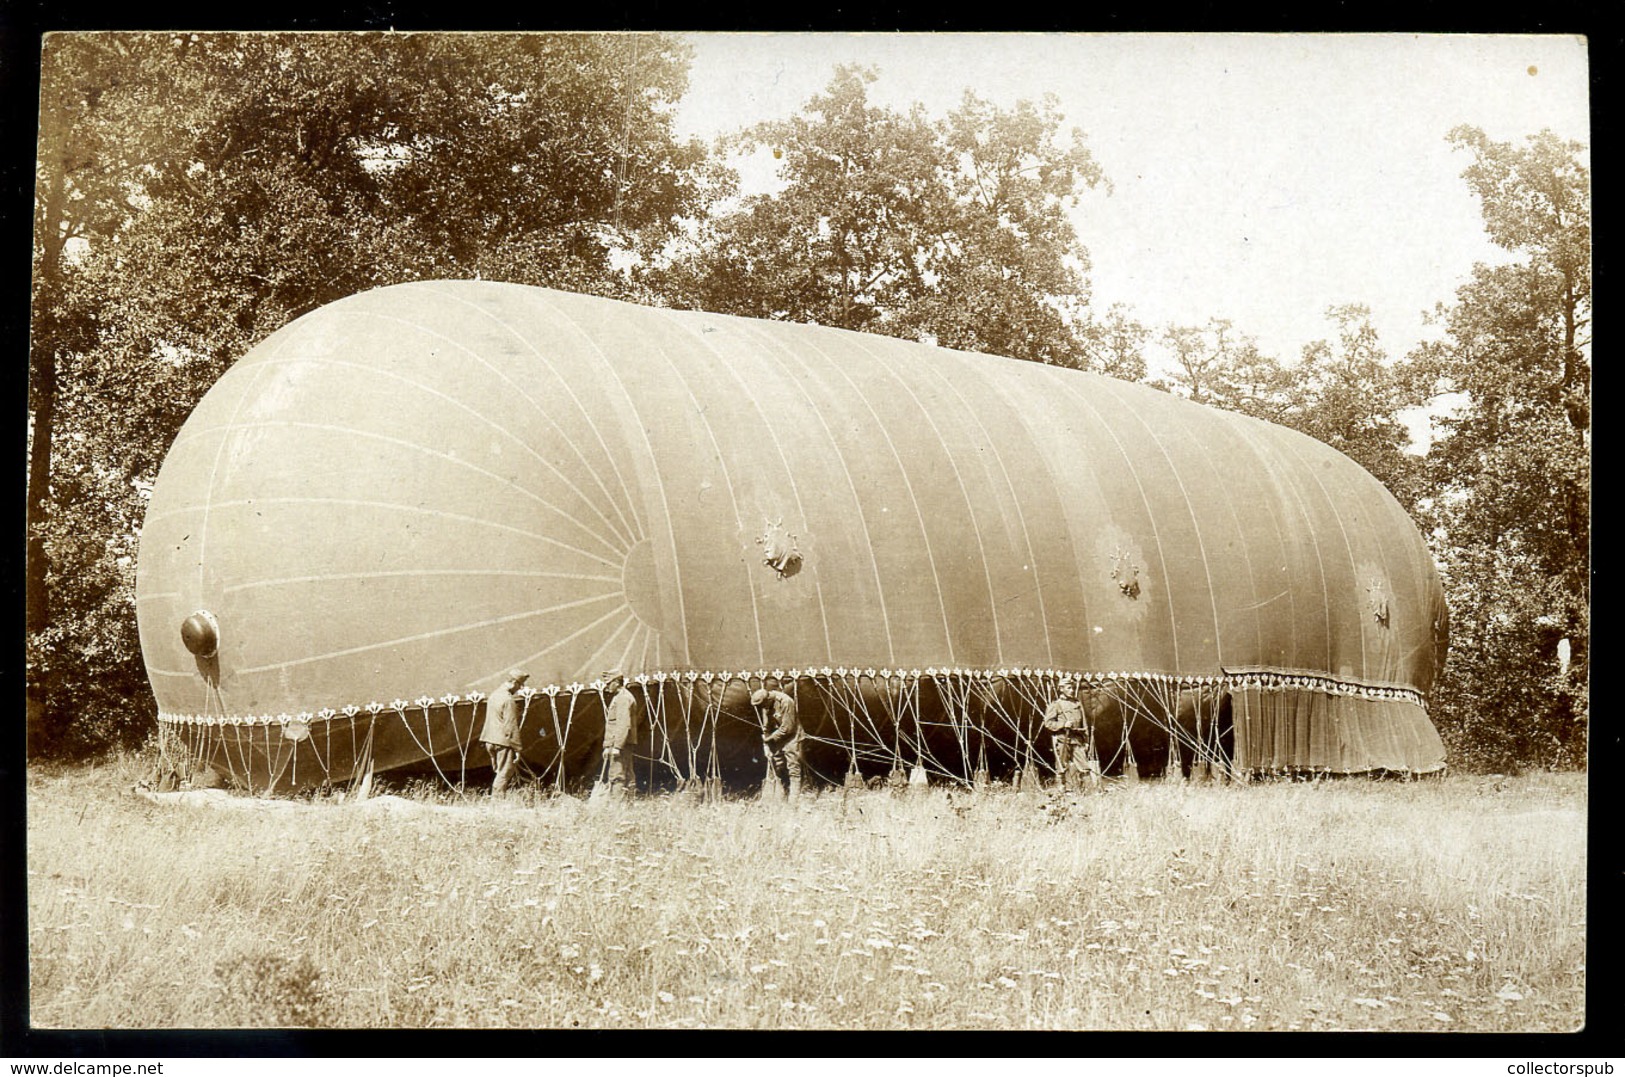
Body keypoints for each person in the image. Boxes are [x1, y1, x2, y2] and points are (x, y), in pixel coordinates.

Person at [480, 669, 529, 794]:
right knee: (504, 773)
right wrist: (518, 749)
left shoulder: (494, 696)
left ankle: (497, 800)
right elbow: (511, 726)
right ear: (513, 682)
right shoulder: (508, 700)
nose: (519, 689)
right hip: (502, 742)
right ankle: (496, 803)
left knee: (498, 771)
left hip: (489, 740)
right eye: (519, 685)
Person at [751, 687, 804, 799]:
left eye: (763, 705)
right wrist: (766, 737)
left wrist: (769, 739)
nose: (763, 708)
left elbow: (787, 728)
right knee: (777, 765)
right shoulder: (766, 704)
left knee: (793, 768)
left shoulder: (786, 702)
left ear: (768, 699)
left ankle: (794, 800)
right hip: (777, 737)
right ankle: (779, 795)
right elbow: (767, 724)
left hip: (792, 737)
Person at [1042, 676, 1091, 790]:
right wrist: (1063, 725)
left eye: (1072, 688)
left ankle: (1088, 791)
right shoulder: (1056, 705)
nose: (1072, 690)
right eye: (1068, 688)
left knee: (1084, 766)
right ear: (1061, 689)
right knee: (1061, 767)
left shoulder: (1077, 703)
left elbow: (1084, 723)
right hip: (1062, 739)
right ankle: (1062, 791)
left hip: (1077, 739)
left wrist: (1086, 741)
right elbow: (1048, 723)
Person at [600, 671, 641, 796]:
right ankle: (628, 803)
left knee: (617, 775)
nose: (606, 687)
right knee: (627, 773)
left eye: (608, 684)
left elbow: (623, 724)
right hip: (621, 743)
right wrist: (607, 746)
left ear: (616, 683)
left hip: (620, 744)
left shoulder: (623, 698)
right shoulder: (620, 697)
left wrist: (617, 746)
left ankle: (616, 806)